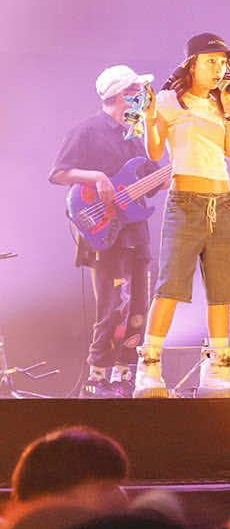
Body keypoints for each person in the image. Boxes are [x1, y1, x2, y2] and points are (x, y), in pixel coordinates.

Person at [136, 33, 230, 399]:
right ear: (192, 64)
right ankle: (149, 367)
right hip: (185, 201)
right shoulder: (170, 100)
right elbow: (155, 151)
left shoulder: (221, 102)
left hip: (223, 202)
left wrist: (229, 110)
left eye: (223, 63)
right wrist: (150, 116)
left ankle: (217, 370)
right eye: (211, 61)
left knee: (223, 290)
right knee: (170, 285)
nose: (219, 69)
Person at [49, 64, 160, 397]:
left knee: (137, 306)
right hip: (103, 230)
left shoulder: (136, 134)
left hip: (135, 232)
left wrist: (175, 172)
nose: (141, 96)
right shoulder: (87, 130)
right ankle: (98, 375)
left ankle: (125, 373)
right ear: (120, 94)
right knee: (111, 307)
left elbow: (151, 182)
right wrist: (97, 178)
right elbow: (59, 173)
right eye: (136, 90)